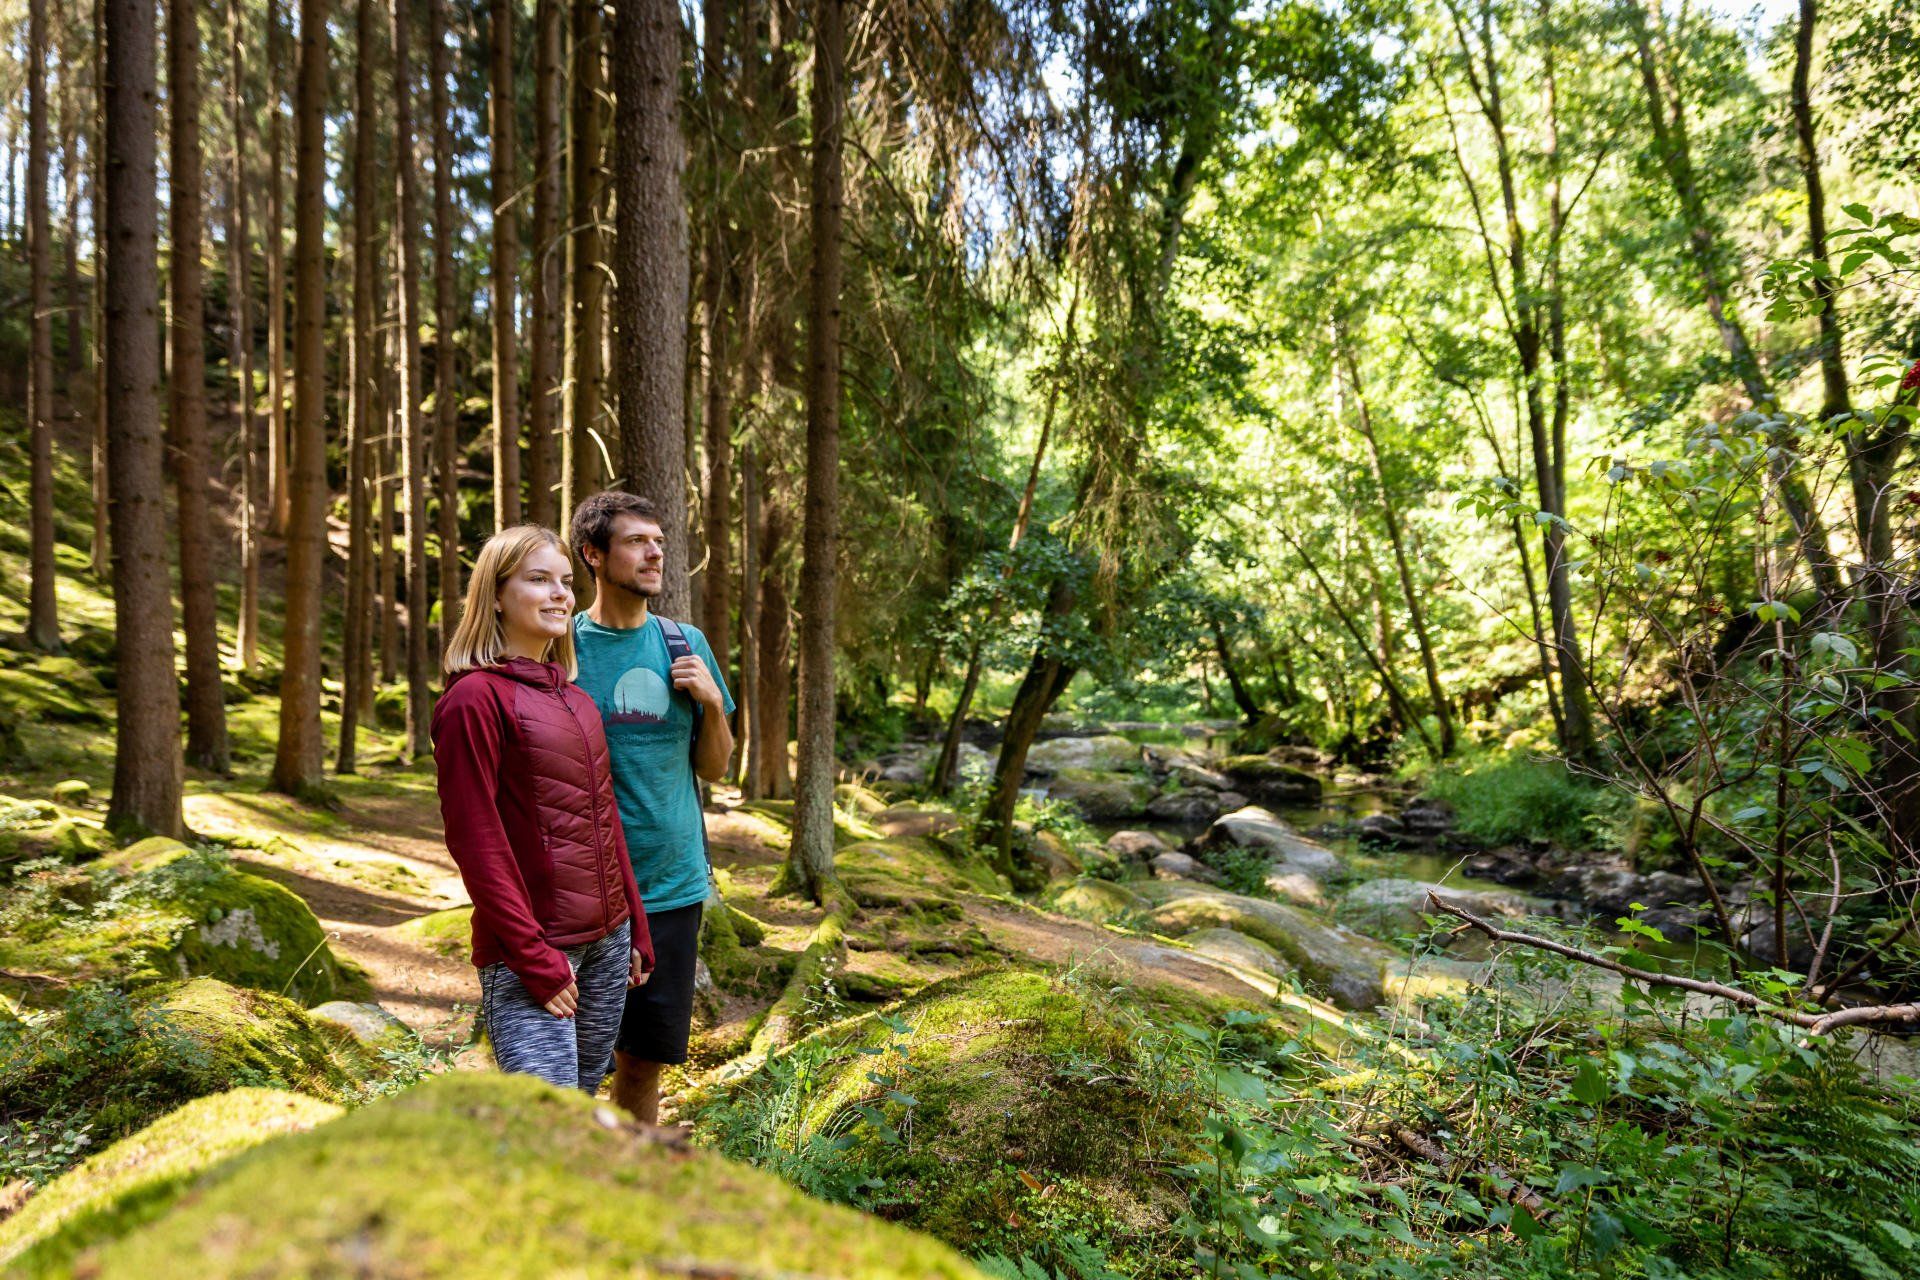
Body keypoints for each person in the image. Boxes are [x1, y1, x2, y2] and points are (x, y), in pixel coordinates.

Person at [431, 524, 654, 1094]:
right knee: (544, 1117)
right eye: (538, 580)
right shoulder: (472, 699)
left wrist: (635, 925)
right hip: (535, 949)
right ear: (496, 595)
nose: (560, 595)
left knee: (579, 1107)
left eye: (565, 582)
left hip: (609, 943)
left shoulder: (576, 700)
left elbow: (606, 821)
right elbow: (475, 838)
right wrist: (531, 955)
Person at [568, 492, 735, 1123]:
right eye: (637, 541)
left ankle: (633, 1184)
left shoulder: (683, 642)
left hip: (670, 888)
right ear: (593, 555)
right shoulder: (563, 648)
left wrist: (713, 704)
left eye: (658, 540)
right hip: (585, 890)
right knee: (569, 1059)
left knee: (643, 1060)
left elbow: (712, 766)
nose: (655, 551)